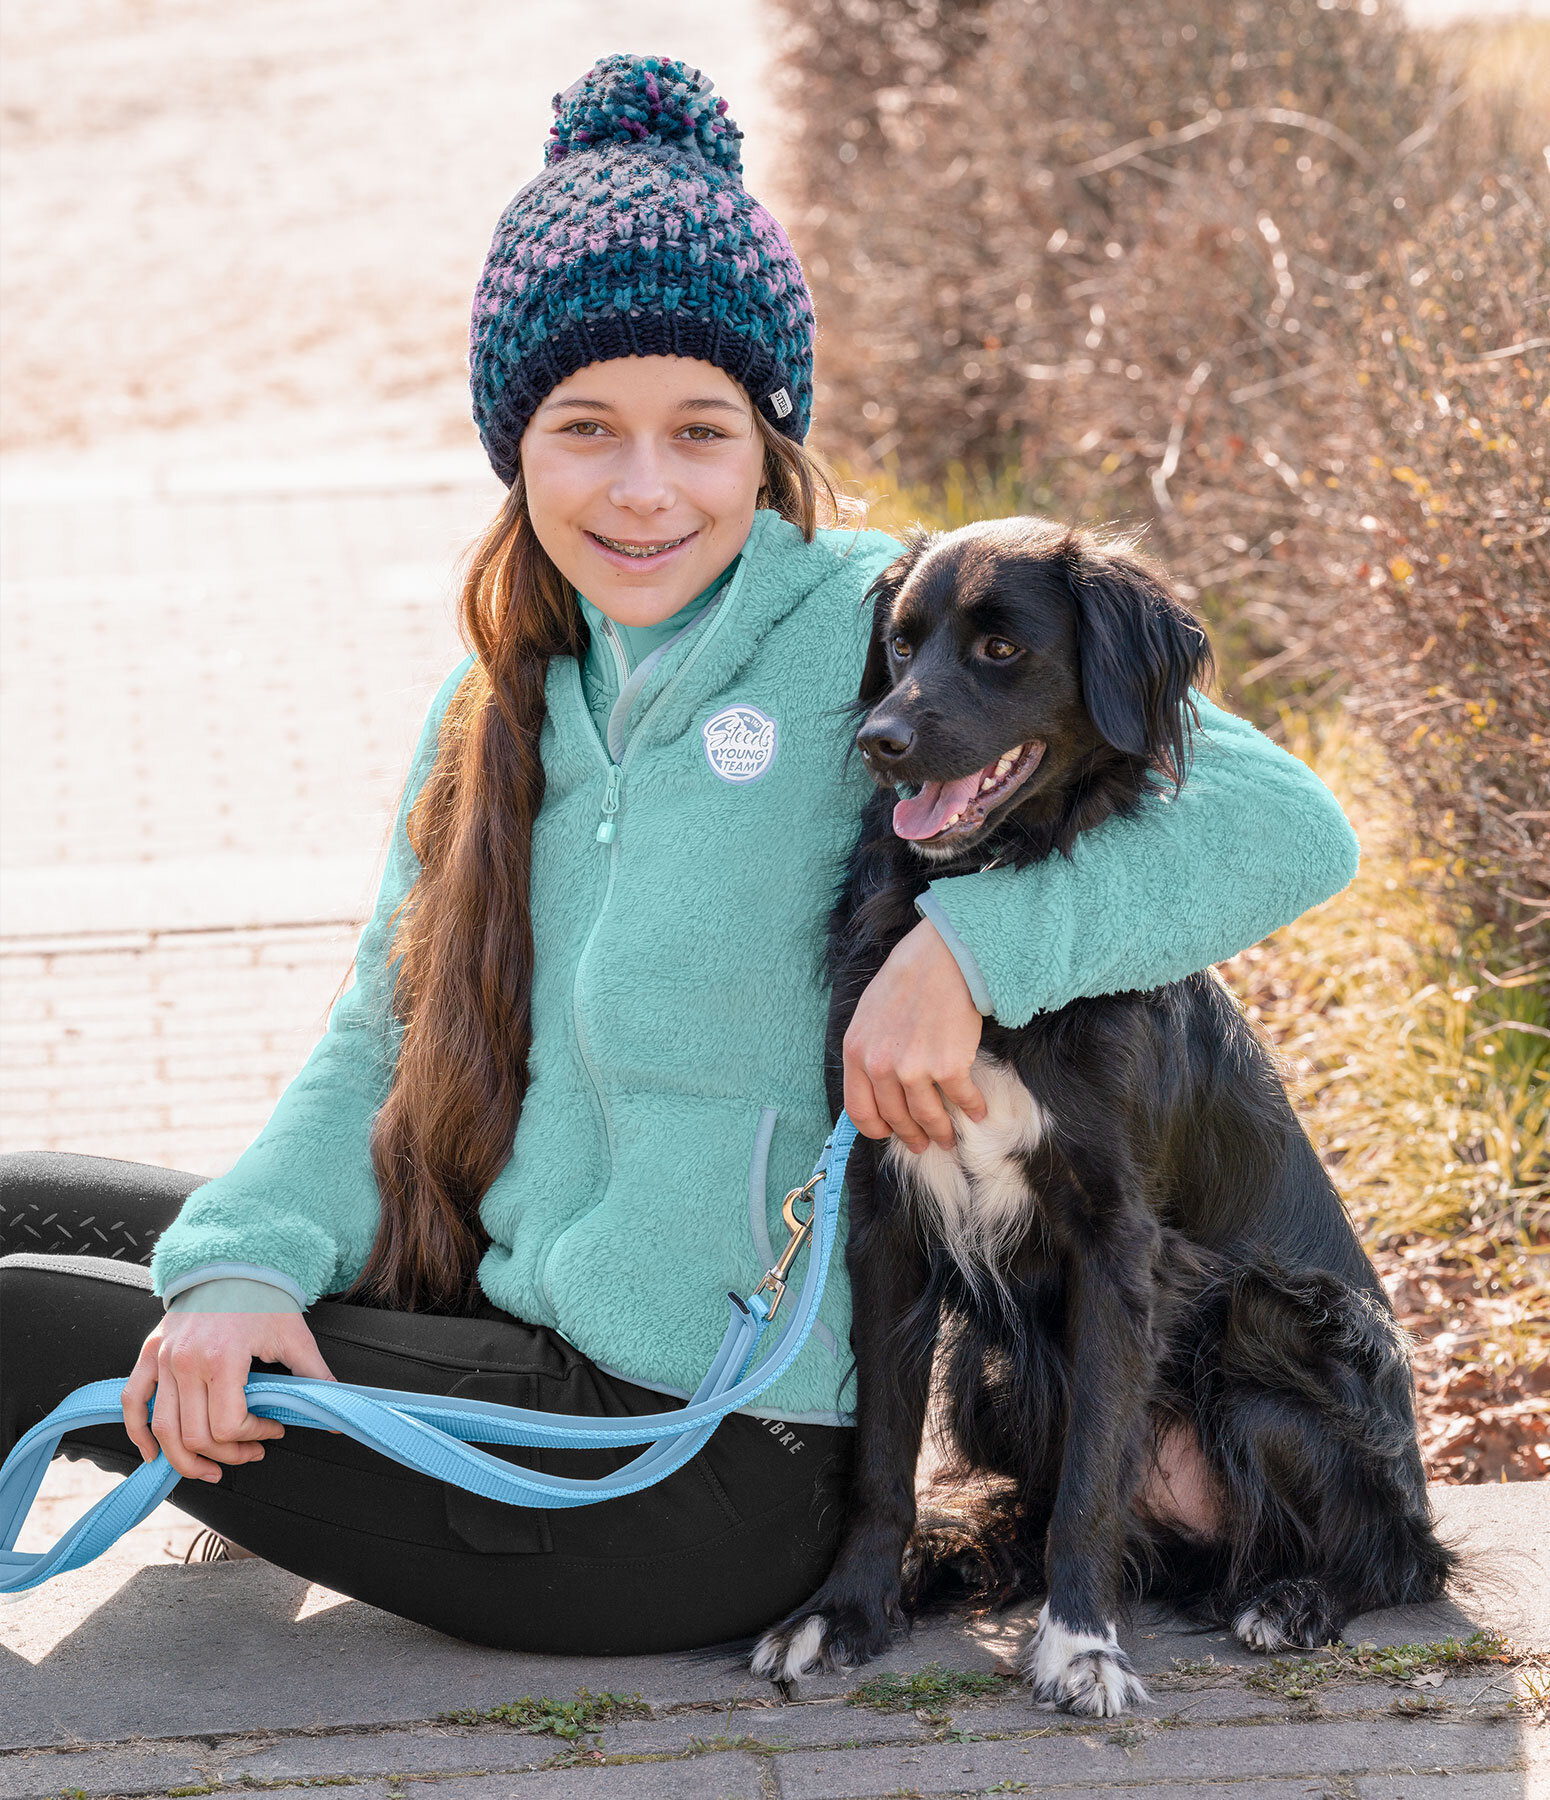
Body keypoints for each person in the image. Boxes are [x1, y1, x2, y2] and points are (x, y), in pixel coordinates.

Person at [0, 52, 1360, 1656]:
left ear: (768, 443)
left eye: (698, 431)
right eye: (587, 427)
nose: (643, 491)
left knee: (17, 1324)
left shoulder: (876, 629)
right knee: (40, 1214)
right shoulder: (496, 697)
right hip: (511, 1332)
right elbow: (377, 1035)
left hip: (696, 1467)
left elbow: (1288, 824)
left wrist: (970, 954)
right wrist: (234, 1270)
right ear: (516, 445)